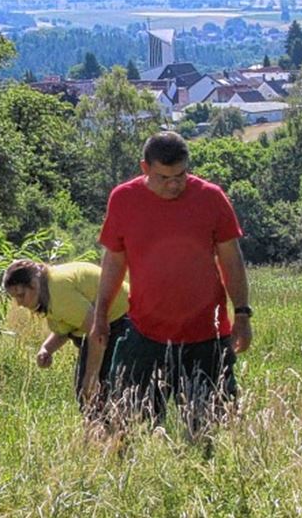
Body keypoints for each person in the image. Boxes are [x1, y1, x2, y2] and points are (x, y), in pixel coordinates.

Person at [90, 131, 252, 440]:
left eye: (180, 175)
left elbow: (231, 260)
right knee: (130, 427)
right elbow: (114, 262)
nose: (174, 184)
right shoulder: (123, 199)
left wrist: (242, 315)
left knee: (214, 430)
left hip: (207, 336)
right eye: (164, 177)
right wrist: (100, 315)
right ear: (144, 168)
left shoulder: (211, 197)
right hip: (145, 336)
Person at [2, 259, 130, 423]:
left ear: (34, 283)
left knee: (99, 389)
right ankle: (99, 439)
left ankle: (111, 439)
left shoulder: (59, 291)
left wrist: (91, 378)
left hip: (123, 320)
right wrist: (46, 349)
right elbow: (69, 325)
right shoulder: (48, 288)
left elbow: (97, 331)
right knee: (87, 393)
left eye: (21, 295)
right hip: (106, 325)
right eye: (15, 298)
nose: (19, 303)